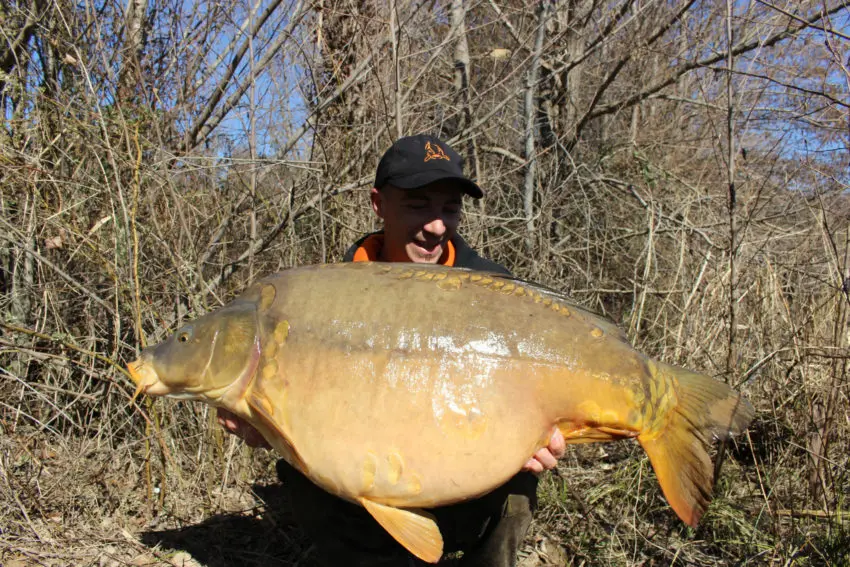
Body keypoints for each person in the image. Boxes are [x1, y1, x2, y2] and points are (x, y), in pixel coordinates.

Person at [217, 134, 566, 566]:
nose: (437, 225)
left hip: (466, 476)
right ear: (378, 203)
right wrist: (263, 420)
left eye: (450, 208)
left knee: (517, 489)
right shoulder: (330, 297)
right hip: (370, 487)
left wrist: (539, 431)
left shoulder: (496, 293)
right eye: (419, 205)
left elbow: (537, 387)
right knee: (302, 478)